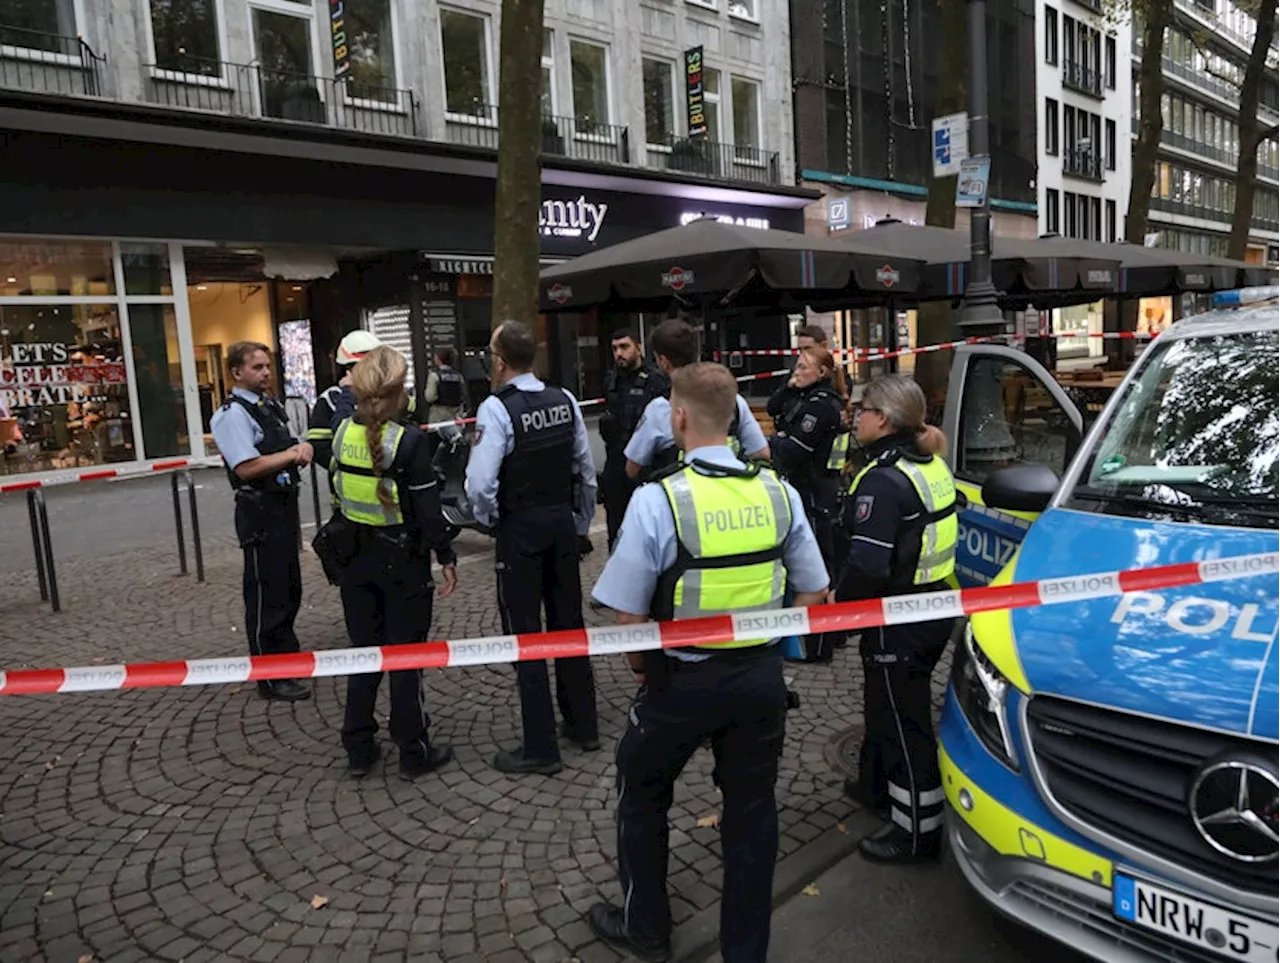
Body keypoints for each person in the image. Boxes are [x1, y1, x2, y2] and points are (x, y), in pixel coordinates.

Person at [587, 362, 829, 963]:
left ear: (678, 417)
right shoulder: (778, 491)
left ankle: (647, 928)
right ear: (738, 419)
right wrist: (776, 648)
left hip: (681, 683)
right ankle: (745, 951)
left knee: (641, 793)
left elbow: (626, 616)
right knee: (752, 813)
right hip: (759, 683)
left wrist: (646, 670)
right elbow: (813, 589)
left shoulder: (656, 501)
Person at [833, 374, 958, 864]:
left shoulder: (884, 481)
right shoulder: (927, 463)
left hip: (899, 618)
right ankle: (875, 786)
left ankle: (917, 834)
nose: (855, 416)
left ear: (882, 419)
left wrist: (837, 609)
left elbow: (868, 565)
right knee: (881, 707)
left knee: (905, 723)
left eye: (862, 409)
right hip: (932, 608)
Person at [465, 320, 599, 775]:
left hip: (520, 529)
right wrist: (579, 523)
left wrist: (489, 520)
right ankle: (584, 725)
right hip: (561, 523)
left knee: (527, 636)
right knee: (569, 626)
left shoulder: (496, 409)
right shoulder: (565, 400)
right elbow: (585, 470)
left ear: (500, 361)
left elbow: (481, 484)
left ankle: (540, 746)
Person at [329, 347, 458, 780]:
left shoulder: (341, 429)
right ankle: (412, 749)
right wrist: (446, 555)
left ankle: (359, 747)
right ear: (398, 393)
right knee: (405, 658)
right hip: (402, 561)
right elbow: (427, 508)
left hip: (355, 560)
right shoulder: (410, 441)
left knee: (364, 654)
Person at [210, 341, 313, 702]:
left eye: (267, 366)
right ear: (236, 372)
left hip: (282, 506)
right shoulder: (233, 414)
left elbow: (286, 443)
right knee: (266, 594)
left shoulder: (268, 406)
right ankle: (270, 676)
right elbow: (246, 465)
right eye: (257, 367)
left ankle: (288, 658)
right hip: (259, 511)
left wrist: (302, 449)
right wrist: (289, 455)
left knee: (288, 588)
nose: (266, 373)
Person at [767, 345, 850, 662]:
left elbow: (793, 450)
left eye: (803, 367)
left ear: (822, 373)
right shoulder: (803, 395)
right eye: (796, 366)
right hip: (804, 488)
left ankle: (819, 644)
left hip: (817, 491)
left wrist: (770, 443)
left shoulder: (822, 406)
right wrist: (788, 384)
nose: (796, 372)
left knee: (818, 565)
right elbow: (776, 407)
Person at [624, 319, 770, 480]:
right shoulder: (732, 399)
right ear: (696, 353)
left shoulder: (659, 409)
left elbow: (632, 468)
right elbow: (761, 453)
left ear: (663, 362)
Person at [599, 329, 668, 551]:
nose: (619, 353)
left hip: (645, 467)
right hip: (616, 463)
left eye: (624, 347)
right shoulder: (611, 380)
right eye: (615, 348)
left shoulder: (656, 381)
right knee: (616, 531)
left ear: (638, 348)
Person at [306, 330, 385, 469]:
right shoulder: (331, 399)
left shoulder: (390, 395)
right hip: (349, 483)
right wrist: (343, 467)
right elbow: (318, 447)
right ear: (349, 369)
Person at [424, 345, 468, 430]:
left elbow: (429, 397)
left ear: (438, 359)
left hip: (438, 418)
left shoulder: (434, 376)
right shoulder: (458, 377)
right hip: (455, 417)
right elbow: (464, 395)